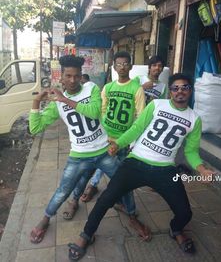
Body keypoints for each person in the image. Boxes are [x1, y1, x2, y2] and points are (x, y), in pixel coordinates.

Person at [68, 73, 216, 260]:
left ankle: (176, 229)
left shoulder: (195, 119)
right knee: (106, 198)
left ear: (190, 91)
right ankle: (86, 235)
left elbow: (191, 151)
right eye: (175, 88)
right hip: (136, 162)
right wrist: (118, 144)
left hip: (165, 169)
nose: (180, 91)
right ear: (170, 91)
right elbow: (137, 128)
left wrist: (201, 169)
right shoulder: (156, 105)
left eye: (184, 87)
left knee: (185, 212)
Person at [29, 55, 146, 244]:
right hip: (79, 155)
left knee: (124, 183)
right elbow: (35, 128)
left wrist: (64, 100)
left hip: (103, 150)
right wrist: (37, 102)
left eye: (76, 76)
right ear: (62, 78)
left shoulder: (91, 89)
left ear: (81, 75)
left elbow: (93, 112)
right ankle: (46, 218)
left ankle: (132, 215)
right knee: (63, 190)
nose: (73, 80)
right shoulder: (57, 102)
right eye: (68, 76)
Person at [78, 51, 146, 208]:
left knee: (119, 171)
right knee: (98, 165)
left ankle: (117, 197)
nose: (122, 67)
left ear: (131, 66)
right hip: (105, 137)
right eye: (119, 64)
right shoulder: (108, 87)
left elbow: (140, 117)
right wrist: (102, 132)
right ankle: (92, 186)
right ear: (114, 67)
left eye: (125, 64)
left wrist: (131, 140)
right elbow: (101, 110)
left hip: (122, 139)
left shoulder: (137, 89)